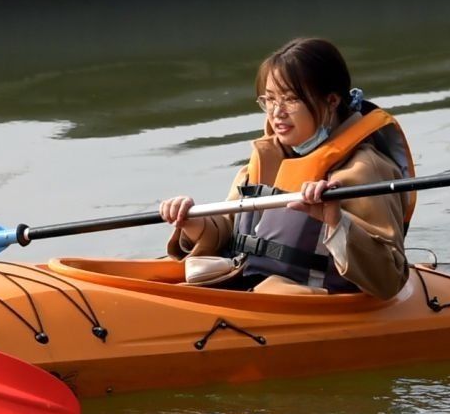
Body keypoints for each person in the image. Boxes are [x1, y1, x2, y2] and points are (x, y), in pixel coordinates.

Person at [158, 38, 416, 299]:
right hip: (249, 289)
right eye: (269, 99)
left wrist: (335, 220)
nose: (276, 112)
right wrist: (194, 222)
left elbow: (390, 278)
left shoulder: (365, 169)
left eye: (290, 99)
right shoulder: (266, 159)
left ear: (332, 101)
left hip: (310, 305)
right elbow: (229, 230)